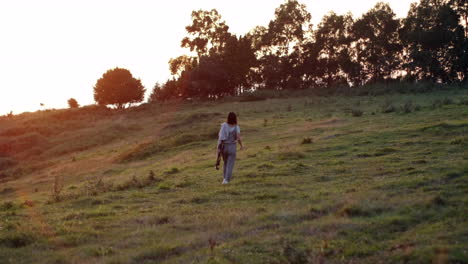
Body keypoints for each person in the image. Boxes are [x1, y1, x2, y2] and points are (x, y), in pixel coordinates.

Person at [217, 112, 243, 184]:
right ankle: (226, 180)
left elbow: (220, 137)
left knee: (225, 163)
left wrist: (218, 148)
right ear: (235, 118)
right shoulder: (236, 127)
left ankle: (224, 179)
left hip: (223, 147)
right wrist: (241, 146)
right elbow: (238, 138)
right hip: (232, 147)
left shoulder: (224, 126)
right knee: (230, 164)